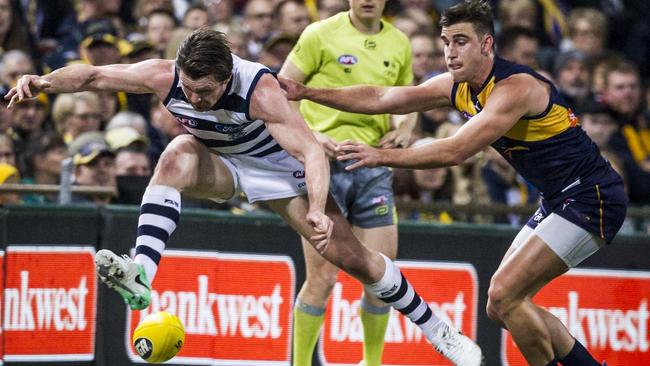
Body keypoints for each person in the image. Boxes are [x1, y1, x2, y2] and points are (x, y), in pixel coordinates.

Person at [5, 28, 482, 365]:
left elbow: (312, 153)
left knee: (355, 261)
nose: (195, 100)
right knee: (172, 157)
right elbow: (91, 77)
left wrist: (316, 209)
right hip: (222, 163)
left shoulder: (261, 91)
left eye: (206, 92)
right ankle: (141, 273)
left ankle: (437, 329)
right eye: (188, 90)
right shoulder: (164, 75)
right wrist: (44, 82)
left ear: (227, 76)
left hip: (279, 173)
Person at [279, 1, 627, 366]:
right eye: (446, 41)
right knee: (499, 307)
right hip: (559, 198)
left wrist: (379, 155)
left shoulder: (516, 87)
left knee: (507, 296)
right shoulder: (458, 85)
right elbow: (384, 97)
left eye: (461, 41)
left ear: (487, 45)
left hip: (592, 196)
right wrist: (306, 92)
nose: (450, 52)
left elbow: (456, 149)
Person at [279, 1, 416, 364]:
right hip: (324, 167)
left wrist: (405, 130)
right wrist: (311, 137)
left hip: (372, 166)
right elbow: (280, 92)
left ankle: (371, 362)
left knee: (383, 280)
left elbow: (409, 99)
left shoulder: (400, 42)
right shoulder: (319, 34)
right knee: (322, 278)